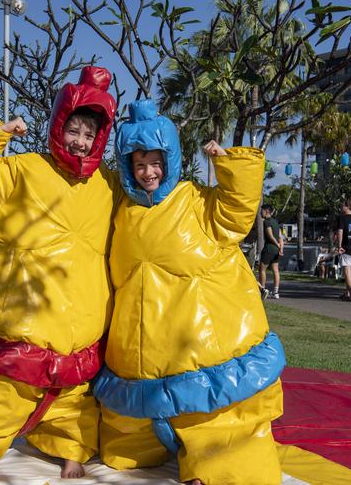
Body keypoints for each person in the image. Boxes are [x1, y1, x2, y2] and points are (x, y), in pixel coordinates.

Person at [0, 66, 119, 479]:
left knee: (70, 405)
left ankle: (70, 447)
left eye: (91, 135)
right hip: (11, 325)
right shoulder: (23, 170)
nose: (81, 143)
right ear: (58, 124)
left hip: (75, 329)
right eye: (75, 131)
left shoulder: (107, 186)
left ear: (101, 138)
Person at [92, 100, 284, 485]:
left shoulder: (195, 200)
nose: (148, 172)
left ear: (171, 159)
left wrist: (228, 164)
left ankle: (210, 460)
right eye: (139, 163)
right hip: (137, 354)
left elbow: (238, 209)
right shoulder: (123, 213)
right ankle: (154, 443)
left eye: (155, 162)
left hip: (198, 346)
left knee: (221, 434)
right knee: (120, 449)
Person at [259, 204, 284, 299]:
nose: (261, 212)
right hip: (276, 250)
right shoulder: (276, 222)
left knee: (262, 269)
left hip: (269, 248)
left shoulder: (267, 222)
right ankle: (276, 292)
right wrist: (281, 249)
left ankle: (263, 290)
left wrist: (277, 245)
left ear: (266, 211)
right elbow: (280, 237)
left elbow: (270, 236)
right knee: (276, 271)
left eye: (262, 210)